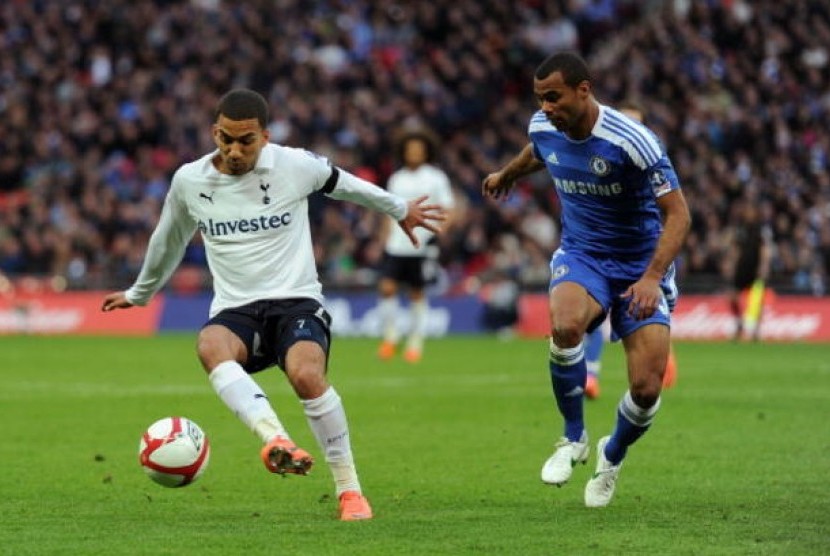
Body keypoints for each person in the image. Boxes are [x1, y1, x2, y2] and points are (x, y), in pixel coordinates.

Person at [101, 89, 446, 521]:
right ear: (214, 132)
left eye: (246, 140)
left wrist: (398, 208)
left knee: (305, 375)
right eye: (226, 138)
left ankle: (350, 491)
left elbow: (345, 184)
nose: (234, 149)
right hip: (236, 309)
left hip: (296, 301)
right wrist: (141, 292)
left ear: (264, 136)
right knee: (210, 345)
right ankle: (277, 440)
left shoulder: (294, 165)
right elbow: (167, 239)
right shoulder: (190, 180)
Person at [482, 52, 690, 507]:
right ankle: (572, 436)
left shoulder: (632, 141)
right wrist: (506, 175)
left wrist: (653, 277)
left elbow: (679, 214)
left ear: (584, 89)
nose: (546, 108)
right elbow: (538, 151)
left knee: (646, 388)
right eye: (539, 99)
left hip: (640, 266)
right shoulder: (542, 126)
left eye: (553, 97)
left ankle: (611, 455)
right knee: (565, 325)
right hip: (584, 255)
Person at [583, 99, 678, 398]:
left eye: (636, 123)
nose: (628, 130)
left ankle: (663, 350)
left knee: (652, 312)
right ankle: (590, 375)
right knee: (595, 312)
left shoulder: (651, 161)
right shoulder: (596, 159)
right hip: (601, 251)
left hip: (642, 254)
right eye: (623, 122)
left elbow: (674, 211)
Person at [375, 128, 455, 363]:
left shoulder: (436, 177)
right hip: (395, 244)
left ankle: (415, 342)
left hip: (422, 244)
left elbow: (449, 209)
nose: (414, 153)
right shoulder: (396, 177)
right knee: (387, 287)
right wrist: (384, 236)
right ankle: (390, 337)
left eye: (419, 149)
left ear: (426, 152)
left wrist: (439, 233)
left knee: (416, 292)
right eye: (410, 149)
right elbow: (387, 210)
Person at [725, 200, 773, 341]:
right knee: (732, 297)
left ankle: (756, 331)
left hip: (755, 269)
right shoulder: (740, 228)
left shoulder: (760, 229)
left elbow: (764, 249)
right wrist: (731, 264)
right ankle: (739, 324)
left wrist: (764, 266)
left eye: (750, 211)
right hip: (741, 268)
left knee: (757, 301)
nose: (748, 213)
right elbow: (735, 248)